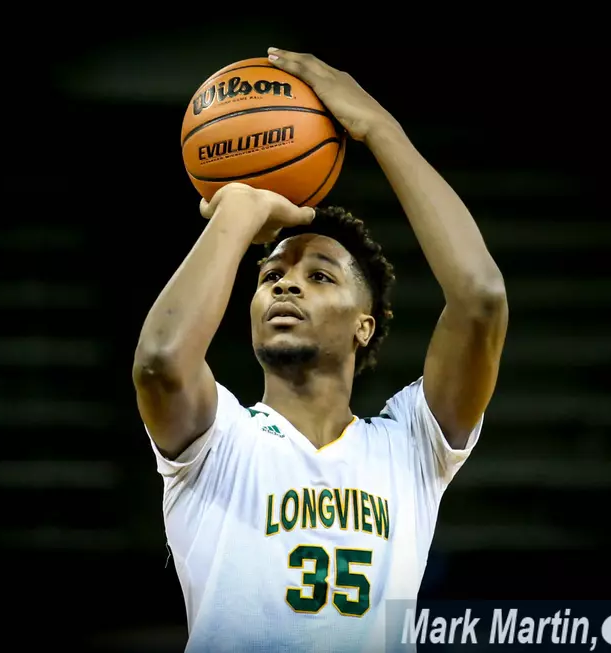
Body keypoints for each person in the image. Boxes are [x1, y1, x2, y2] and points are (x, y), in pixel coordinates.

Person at [133, 48, 509, 653]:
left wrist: (378, 127)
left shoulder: (410, 445)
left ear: (365, 326)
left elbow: (481, 299)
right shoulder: (219, 439)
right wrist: (239, 210)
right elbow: (160, 361)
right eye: (269, 275)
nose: (285, 283)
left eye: (321, 276)